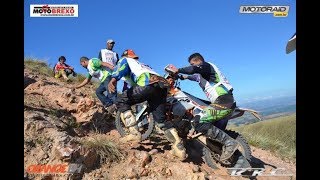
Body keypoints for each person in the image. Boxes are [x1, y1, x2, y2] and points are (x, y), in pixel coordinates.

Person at [108, 49, 187, 160]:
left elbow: (119, 70)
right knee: (161, 120)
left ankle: (134, 133)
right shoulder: (144, 65)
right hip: (161, 86)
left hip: (147, 83)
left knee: (121, 100)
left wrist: (113, 80)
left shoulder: (125, 59)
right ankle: (179, 149)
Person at [168, 52, 239, 161]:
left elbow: (193, 70)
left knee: (198, 121)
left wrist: (178, 69)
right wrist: (179, 76)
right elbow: (192, 76)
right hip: (223, 102)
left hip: (224, 102)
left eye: (193, 64)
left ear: (198, 61)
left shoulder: (206, 66)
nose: (192, 66)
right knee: (210, 132)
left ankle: (230, 143)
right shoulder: (203, 73)